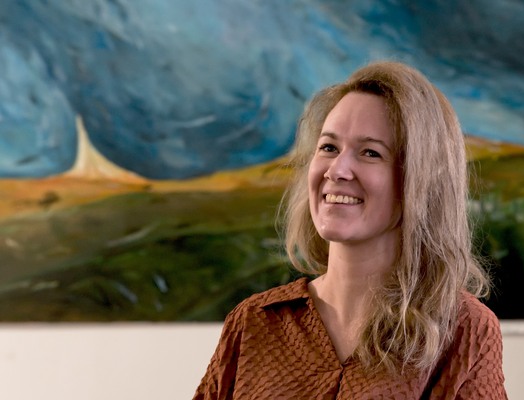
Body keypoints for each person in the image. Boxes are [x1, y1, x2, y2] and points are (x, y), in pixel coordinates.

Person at [192, 61, 507, 399]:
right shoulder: (253, 322)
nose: (337, 170)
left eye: (370, 153)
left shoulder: (463, 330)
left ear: (422, 179)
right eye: (329, 147)